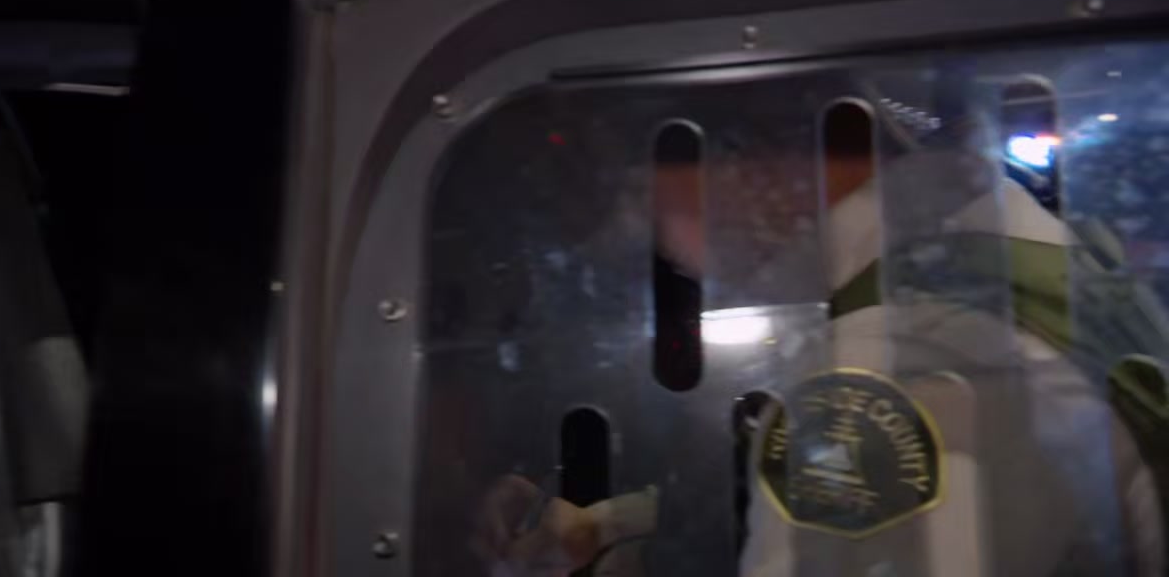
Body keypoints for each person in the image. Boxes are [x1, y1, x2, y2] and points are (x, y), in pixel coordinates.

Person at [473, 96, 1166, 577]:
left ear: (745, 167)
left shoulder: (887, 361)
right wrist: (616, 526)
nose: (667, 247)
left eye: (649, 200)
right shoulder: (998, 253)